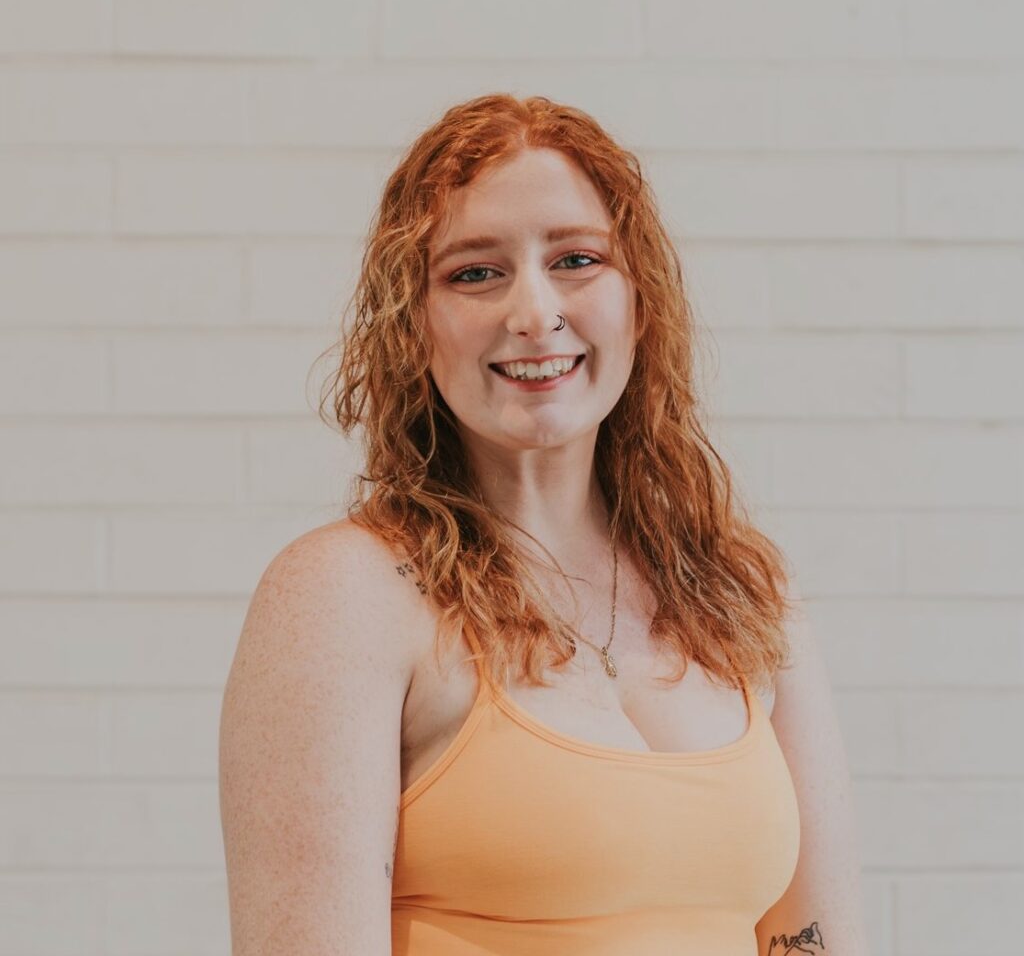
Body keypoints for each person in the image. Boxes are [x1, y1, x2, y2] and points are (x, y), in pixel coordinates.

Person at [219, 93, 870, 955]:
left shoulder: (746, 593)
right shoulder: (348, 593)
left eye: (576, 259)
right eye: (474, 272)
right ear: (414, 326)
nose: (533, 312)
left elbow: (815, 942)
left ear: (640, 301)